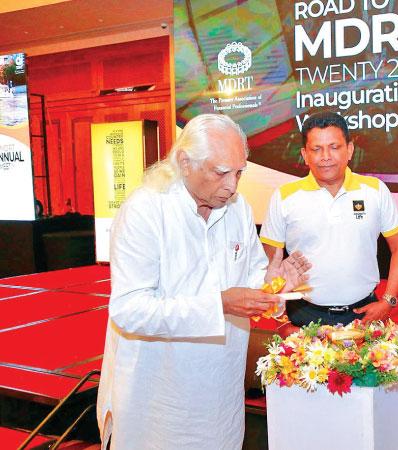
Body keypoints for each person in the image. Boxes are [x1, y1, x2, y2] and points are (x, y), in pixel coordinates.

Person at [96, 114, 309, 449]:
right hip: (159, 396)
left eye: (240, 172)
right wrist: (220, 303)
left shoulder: (237, 208)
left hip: (219, 391)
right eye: (221, 172)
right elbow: (129, 309)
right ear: (184, 162)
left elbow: (251, 274)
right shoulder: (145, 210)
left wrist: (273, 283)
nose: (232, 185)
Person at [260, 111, 398, 334]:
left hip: (364, 314)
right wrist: (281, 321)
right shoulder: (284, 197)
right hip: (304, 316)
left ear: (349, 150)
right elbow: (270, 265)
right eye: (316, 149)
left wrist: (388, 300)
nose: (326, 156)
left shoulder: (375, 190)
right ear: (304, 154)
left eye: (334, 147)